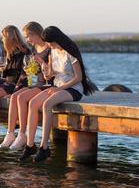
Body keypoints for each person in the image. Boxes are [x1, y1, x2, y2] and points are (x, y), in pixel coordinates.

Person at [18, 26, 95, 162]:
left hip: (73, 88)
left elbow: (78, 77)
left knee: (47, 104)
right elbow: (51, 75)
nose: (48, 45)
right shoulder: (52, 51)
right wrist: (46, 70)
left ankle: (44, 147)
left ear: (56, 40)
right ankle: (30, 145)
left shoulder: (70, 52)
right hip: (58, 86)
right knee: (33, 103)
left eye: (50, 42)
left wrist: (60, 88)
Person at [0, 22, 51, 149]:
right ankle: (10, 133)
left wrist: (43, 63)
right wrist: (18, 86)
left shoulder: (49, 49)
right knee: (14, 96)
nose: (27, 40)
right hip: (35, 84)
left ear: (36, 34)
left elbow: (51, 73)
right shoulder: (33, 50)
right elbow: (27, 72)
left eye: (28, 36)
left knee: (21, 98)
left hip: (46, 84)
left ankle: (22, 134)